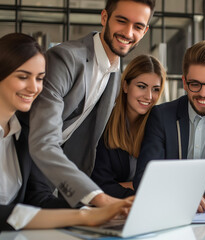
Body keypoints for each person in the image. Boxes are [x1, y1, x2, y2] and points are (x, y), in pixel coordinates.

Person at [0, 33, 132, 239]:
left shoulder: (25, 131)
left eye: (40, 78)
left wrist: (98, 213)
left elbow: (39, 199)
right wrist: (84, 218)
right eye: (23, 76)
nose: (34, 88)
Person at [27, 0, 155, 208]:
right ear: (104, 18)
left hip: (58, 180)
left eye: (138, 26)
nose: (128, 32)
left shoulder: (115, 74)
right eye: (121, 21)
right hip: (25, 162)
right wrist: (97, 198)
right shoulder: (65, 58)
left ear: (145, 31)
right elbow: (42, 140)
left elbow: (85, 143)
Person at [133, 40, 205, 213]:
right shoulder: (161, 116)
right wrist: (183, 198)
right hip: (166, 210)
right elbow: (145, 176)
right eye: (195, 84)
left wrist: (204, 197)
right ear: (184, 82)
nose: (203, 93)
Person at [91, 55, 166, 198]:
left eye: (155, 89)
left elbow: (161, 181)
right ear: (125, 86)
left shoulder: (158, 126)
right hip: (111, 209)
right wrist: (137, 190)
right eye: (141, 87)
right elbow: (99, 186)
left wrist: (124, 185)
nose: (149, 96)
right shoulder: (105, 124)